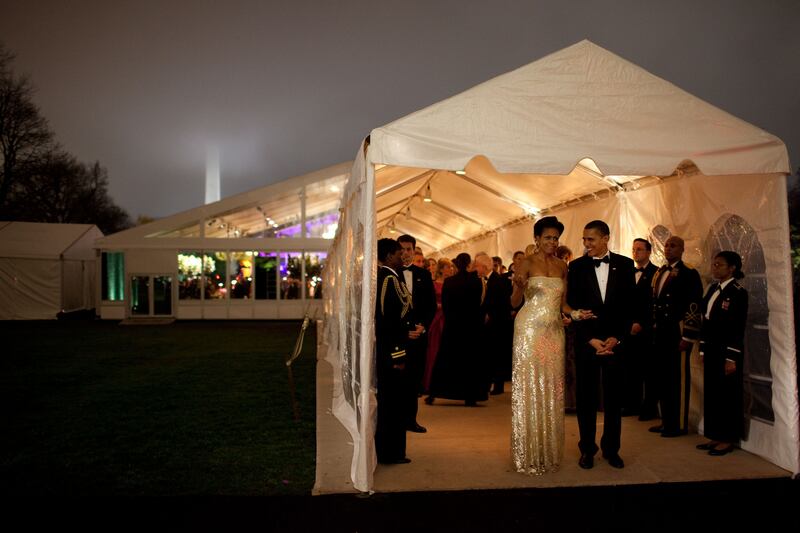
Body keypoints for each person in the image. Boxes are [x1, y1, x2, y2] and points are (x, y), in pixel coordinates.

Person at [510, 216, 587, 474]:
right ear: (537, 239)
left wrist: (575, 314)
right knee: (530, 386)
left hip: (554, 332)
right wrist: (519, 288)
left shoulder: (563, 266)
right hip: (528, 330)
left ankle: (549, 452)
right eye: (547, 238)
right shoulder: (525, 263)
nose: (552, 242)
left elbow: (563, 305)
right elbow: (513, 303)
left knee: (552, 388)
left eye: (555, 238)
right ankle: (528, 452)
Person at [566, 220, 635, 470]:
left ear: (605, 238)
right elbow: (572, 306)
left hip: (615, 344)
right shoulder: (575, 267)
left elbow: (630, 307)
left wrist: (617, 337)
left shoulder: (626, 265)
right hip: (588, 343)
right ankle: (587, 450)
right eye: (584, 240)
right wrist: (590, 339)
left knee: (614, 400)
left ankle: (611, 449)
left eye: (591, 239)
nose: (586, 244)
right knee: (586, 399)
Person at [648, 236, 703, 438]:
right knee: (663, 378)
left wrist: (688, 336)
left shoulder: (689, 273)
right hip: (661, 332)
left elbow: (694, 306)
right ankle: (666, 420)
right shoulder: (660, 272)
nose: (669, 248)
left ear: (682, 249)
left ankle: (678, 424)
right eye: (667, 245)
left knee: (677, 379)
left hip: (677, 331)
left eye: (674, 245)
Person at [696, 251, 748, 456]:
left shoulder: (737, 292)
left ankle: (727, 439)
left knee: (727, 395)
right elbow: (706, 322)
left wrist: (731, 358)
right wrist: (702, 348)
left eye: (719, 265)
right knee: (713, 393)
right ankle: (715, 435)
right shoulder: (713, 289)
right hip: (712, 349)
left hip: (726, 351)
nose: (714, 267)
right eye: (714, 264)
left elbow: (737, 328)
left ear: (732, 268)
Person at [427, 253, 486, 406]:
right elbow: (478, 305)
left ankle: (435, 393)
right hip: (471, 327)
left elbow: (446, 306)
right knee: (469, 362)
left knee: (446, 360)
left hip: (453, 326)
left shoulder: (449, 282)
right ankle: (470, 396)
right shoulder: (476, 282)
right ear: (468, 264)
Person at [375, 238, 413, 464]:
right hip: (391, 352)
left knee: (395, 402)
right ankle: (390, 453)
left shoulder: (391, 276)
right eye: (400, 253)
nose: (403, 256)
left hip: (394, 347)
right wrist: (398, 354)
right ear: (389, 255)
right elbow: (388, 321)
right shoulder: (388, 279)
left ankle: (394, 451)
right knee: (392, 404)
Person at [397, 235, 437, 433]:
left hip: (418, 334)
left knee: (414, 379)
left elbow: (430, 305)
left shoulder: (424, 274)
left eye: (408, 249)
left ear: (414, 251)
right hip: (398, 336)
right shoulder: (390, 274)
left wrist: (423, 326)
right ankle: (396, 420)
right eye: (402, 249)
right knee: (398, 379)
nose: (405, 253)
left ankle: (411, 420)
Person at [623, 238, 659, 419]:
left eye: (639, 249)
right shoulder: (627, 272)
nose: (635, 253)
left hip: (646, 330)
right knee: (631, 369)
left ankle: (649, 407)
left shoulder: (656, 273)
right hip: (627, 328)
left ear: (648, 252)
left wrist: (641, 323)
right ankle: (631, 404)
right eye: (633, 249)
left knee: (648, 370)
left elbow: (654, 303)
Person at [476, 254, 513, 395]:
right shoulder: (482, 280)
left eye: (477, 265)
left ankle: (498, 386)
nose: (475, 268)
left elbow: (503, 303)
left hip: (497, 325)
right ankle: (488, 385)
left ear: (484, 267)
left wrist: (490, 315)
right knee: (489, 355)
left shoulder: (499, 281)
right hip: (487, 325)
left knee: (497, 355)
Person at [423, 257, 455, 393]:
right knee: (433, 349)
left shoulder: (451, 283)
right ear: (442, 269)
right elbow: (429, 301)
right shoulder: (434, 284)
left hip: (447, 317)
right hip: (437, 318)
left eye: (451, 267)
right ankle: (429, 382)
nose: (450, 270)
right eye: (448, 267)